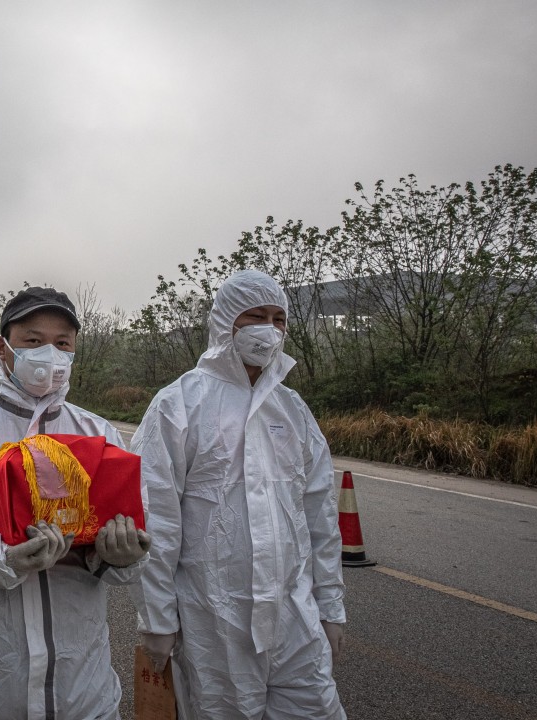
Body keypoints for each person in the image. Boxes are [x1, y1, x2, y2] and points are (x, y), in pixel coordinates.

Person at [0, 286, 152, 720]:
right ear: (3, 348)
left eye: (62, 343)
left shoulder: (99, 434)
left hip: (82, 677)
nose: (49, 354)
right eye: (33, 340)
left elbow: (131, 521)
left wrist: (120, 556)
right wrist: (3, 556)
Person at [130, 269, 347, 719]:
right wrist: (158, 619)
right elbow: (155, 519)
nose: (269, 329)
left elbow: (320, 516)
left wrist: (330, 605)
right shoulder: (180, 403)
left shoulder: (291, 409)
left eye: (278, 319)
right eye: (255, 316)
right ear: (225, 321)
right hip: (214, 620)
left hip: (294, 616)